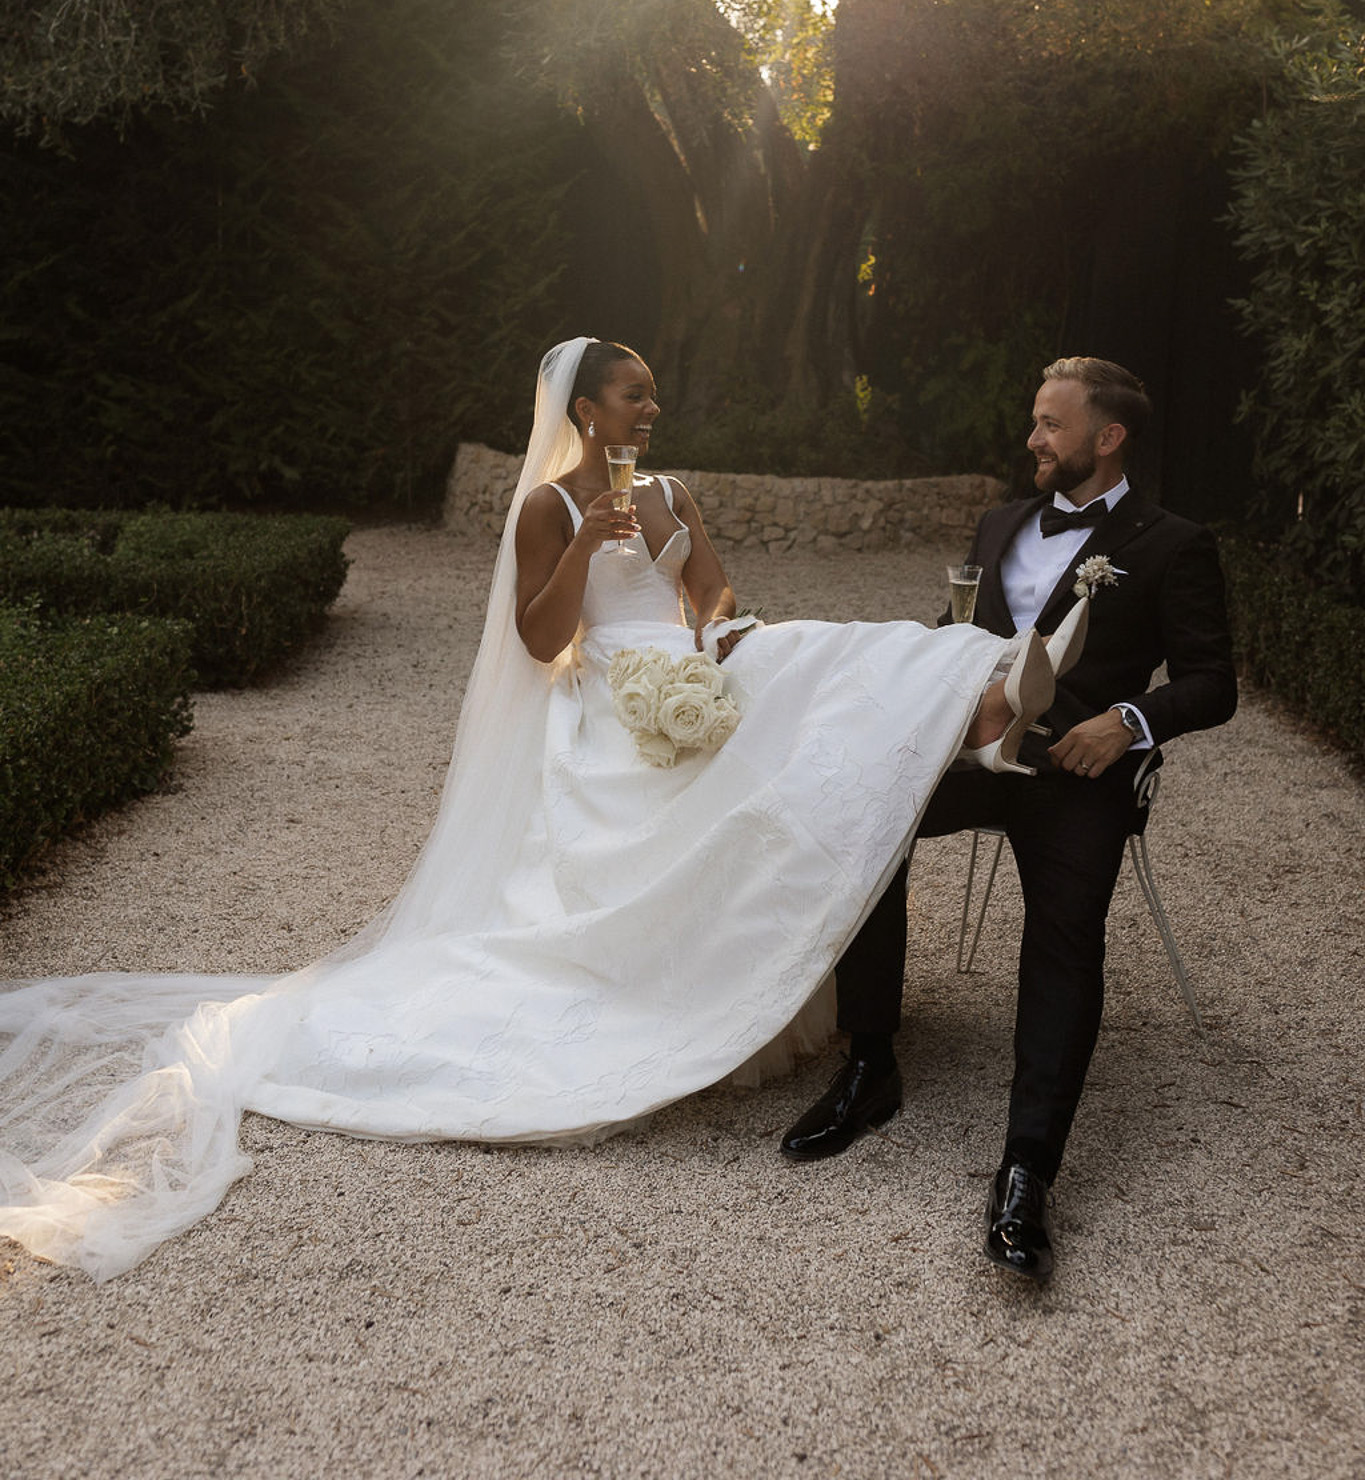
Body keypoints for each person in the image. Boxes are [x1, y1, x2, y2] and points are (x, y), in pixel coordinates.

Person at [0, 335, 1067, 1282]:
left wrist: (713, 633)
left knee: (797, 648)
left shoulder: (676, 491)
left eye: (654, 395)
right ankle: (971, 709)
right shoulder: (545, 508)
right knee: (773, 728)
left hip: (691, 674)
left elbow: (718, 594)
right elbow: (538, 638)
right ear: (585, 411)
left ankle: (978, 690)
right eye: (633, 396)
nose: (650, 410)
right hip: (608, 698)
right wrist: (592, 547)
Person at [781, 356, 1238, 1283]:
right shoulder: (998, 524)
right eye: (1034, 422)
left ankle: (1028, 1166)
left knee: (1065, 939)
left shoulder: (1170, 542)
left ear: (1106, 439)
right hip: (973, 758)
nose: (1032, 440)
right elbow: (950, 640)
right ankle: (871, 1063)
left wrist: (1130, 723)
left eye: (1050, 425)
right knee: (866, 824)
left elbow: (1213, 682)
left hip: (1078, 770)